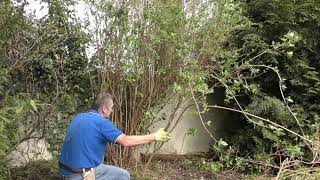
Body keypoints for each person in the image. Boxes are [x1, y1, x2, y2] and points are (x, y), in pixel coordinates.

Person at [58, 92, 171, 180]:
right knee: (123, 175)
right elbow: (125, 141)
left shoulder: (79, 117)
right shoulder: (101, 122)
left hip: (64, 172)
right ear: (104, 109)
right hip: (80, 175)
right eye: (111, 108)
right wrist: (155, 136)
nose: (112, 110)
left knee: (100, 163)